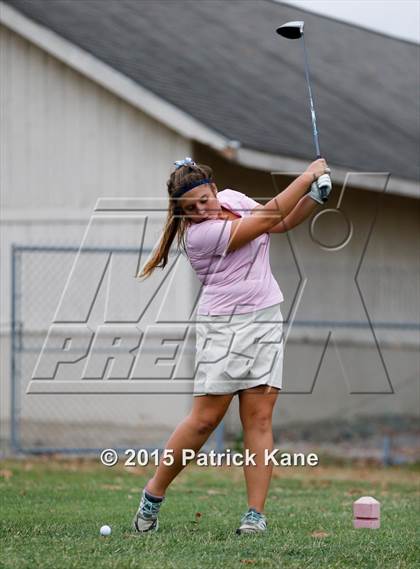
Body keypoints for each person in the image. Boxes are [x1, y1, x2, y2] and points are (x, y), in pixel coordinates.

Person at [132, 156, 331, 535]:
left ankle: (254, 516)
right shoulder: (199, 236)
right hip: (223, 327)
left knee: (258, 419)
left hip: (265, 318)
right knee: (205, 420)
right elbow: (270, 217)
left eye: (204, 200)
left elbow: (283, 223)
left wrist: (314, 197)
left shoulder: (235, 200)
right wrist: (306, 176)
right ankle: (152, 496)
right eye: (189, 209)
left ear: (213, 188)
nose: (200, 211)